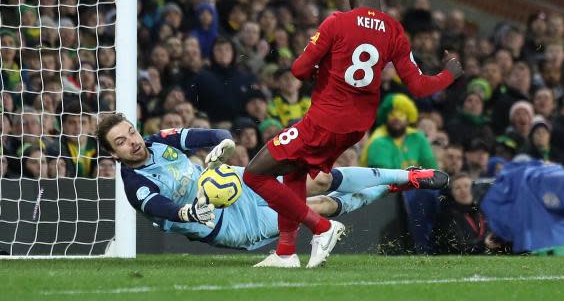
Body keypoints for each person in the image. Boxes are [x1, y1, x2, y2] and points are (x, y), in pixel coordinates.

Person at [242, 0, 463, 268]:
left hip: (325, 120)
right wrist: (449, 75)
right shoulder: (395, 31)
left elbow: (298, 68)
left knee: (255, 173)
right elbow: (419, 86)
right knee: (294, 170)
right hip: (356, 127)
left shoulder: (336, 22)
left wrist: (317, 68)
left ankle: (322, 226)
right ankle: (286, 252)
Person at [96, 113, 448, 263]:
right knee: (322, 206)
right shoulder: (134, 185)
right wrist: (187, 211)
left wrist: (223, 147)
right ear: (113, 154)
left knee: (320, 179)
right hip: (228, 225)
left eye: (131, 132)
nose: (132, 142)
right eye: (121, 142)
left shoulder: (161, 141)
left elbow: (216, 135)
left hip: (237, 183)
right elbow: (159, 207)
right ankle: (385, 190)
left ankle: (407, 177)